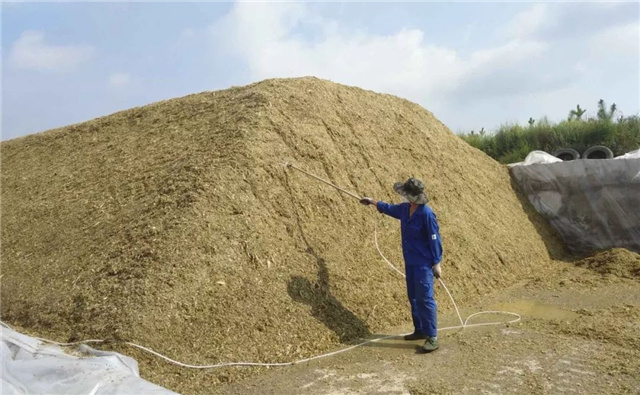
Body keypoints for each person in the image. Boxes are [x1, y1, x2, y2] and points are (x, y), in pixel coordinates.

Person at [360, 177, 443, 352]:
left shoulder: (426, 214)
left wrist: (437, 263)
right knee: (413, 296)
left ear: (413, 197)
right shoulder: (405, 210)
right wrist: (372, 202)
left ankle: (432, 337)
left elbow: (434, 238)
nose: (402, 197)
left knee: (425, 298)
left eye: (405, 194)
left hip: (423, 264)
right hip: (410, 261)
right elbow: (389, 208)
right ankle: (420, 329)